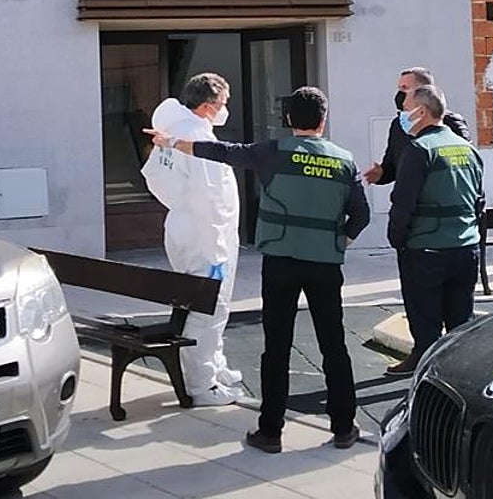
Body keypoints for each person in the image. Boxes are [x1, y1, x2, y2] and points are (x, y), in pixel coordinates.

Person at [146, 86, 370, 453]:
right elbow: (360, 214)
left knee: (276, 347)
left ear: (287, 120)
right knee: (334, 345)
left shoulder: (272, 153)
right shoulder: (343, 161)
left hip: (281, 262)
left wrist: (171, 142)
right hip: (325, 265)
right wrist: (340, 240)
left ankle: (270, 431)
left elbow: (222, 152)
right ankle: (344, 428)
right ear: (324, 120)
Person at [140, 73, 245, 407]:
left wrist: (179, 204)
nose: (225, 110)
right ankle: (202, 385)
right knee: (209, 310)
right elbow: (210, 196)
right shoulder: (195, 136)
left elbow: (153, 176)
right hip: (207, 236)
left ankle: (213, 366)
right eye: (222, 104)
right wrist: (216, 246)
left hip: (184, 228)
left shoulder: (171, 132)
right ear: (205, 106)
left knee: (202, 308)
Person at [385, 84, 484, 377]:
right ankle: (462, 376)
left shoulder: (419, 150)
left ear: (422, 112)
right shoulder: (467, 149)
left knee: (426, 325)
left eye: (406, 110)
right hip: (466, 248)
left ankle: (429, 383)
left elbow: (403, 203)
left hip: (426, 249)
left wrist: (398, 239)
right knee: (461, 324)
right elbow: (479, 201)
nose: (403, 116)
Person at [363, 67, 470, 186]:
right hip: (411, 198)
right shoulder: (398, 125)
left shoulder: (451, 122)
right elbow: (393, 167)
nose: (400, 94)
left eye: (405, 88)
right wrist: (381, 175)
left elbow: (468, 167)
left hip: (442, 198)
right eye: (399, 88)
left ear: (424, 90)